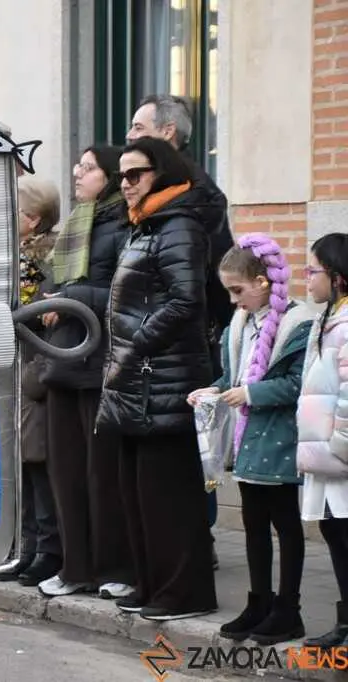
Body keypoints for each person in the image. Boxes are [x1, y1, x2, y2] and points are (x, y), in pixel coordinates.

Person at [96, 137, 217, 621]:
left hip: (165, 379)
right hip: (135, 379)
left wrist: (135, 344)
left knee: (168, 496)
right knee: (138, 495)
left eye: (135, 175)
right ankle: (151, 585)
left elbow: (186, 300)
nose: (124, 184)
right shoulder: (143, 226)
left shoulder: (179, 225)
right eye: (120, 176)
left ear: (161, 173)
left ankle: (183, 593)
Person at [189, 235, 311, 645]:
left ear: (262, 282)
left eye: (238, 290)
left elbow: (298, 384)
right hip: (248, 440)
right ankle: (258, 601)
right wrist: (212, 390)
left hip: (280, 439)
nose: (234, 300)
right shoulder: (240, 325)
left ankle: (287, 608)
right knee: (253, 525)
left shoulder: (298, 325)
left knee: (286, 525)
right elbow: (234, 379)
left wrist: (251, 394)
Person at [128, 94, 234, 568]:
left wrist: (140, 335)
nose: (129, 136)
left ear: (166, 133)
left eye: (138, 126)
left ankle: (197, 545)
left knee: (192, 449)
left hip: (182, 345)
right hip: (159, 344)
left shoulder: (193, 198)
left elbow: (193, 289)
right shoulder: (147, 206)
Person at [34, 146, 134, 600]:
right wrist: (53, 300)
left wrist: (71, 297)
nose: (78, 171)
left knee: (102, 475)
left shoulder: (122, 225)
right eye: (78, 164)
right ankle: (74, 567)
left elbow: (122, 290)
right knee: (66, 474)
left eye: (89, 167)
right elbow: (54, 280)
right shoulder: (76, 223)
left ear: (111, 177)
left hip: (100, 365)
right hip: (64, 361)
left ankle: (111, 568)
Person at [0, 176, 62, 585]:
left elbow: (32, 310)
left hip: (34, 368)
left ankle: (46, 547)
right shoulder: (15, 255)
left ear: (31, 220)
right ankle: (28, 546)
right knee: (22, 463)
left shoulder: (42, 260)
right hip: (16, 367)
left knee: (36, 463)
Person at [296, 233, 348, 651]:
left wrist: (340, 449)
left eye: (313, 270)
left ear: (337, 276)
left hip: (341, 456)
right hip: (327, 455)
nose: (306, 278)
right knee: (335, 532)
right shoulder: (326, 319)